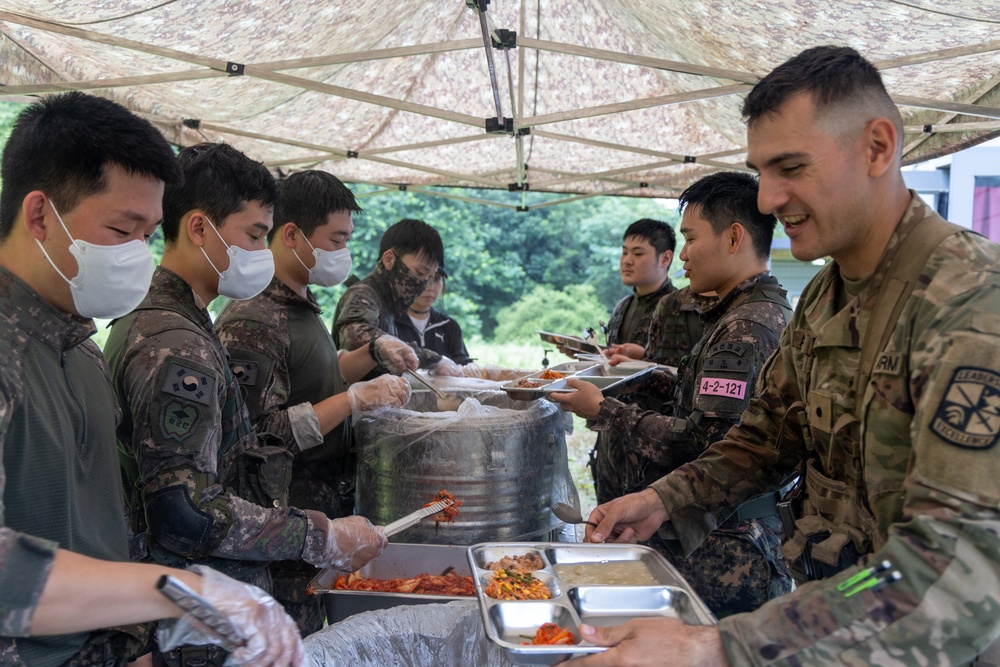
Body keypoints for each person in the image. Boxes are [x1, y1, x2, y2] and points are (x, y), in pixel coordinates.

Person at [570, 45, 1000, 666]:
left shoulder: (969, 303)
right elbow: (766, 438)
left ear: (878, 147)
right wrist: (664, 498)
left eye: (790, 168)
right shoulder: (828, 294)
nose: (768, 198)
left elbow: (945, 565)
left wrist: (718, 647)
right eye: (761, 172)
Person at [0, 93, 303, 666]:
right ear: (39, 215)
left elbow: (115, 520)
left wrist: (145, 636)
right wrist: (176, 592)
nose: (140, 254)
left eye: (147, 234)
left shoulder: (80, 349)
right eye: (122, 229)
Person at [105, 143, 387, 663]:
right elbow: (185, 513)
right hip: (191, 617)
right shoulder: (176, 345)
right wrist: (316, 536)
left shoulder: (176, 324)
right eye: (255, 234)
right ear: (198, 229)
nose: (263, 250)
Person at [552, 172, 793, 617]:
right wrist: (645, 376)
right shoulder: (737, 314)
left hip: (727, 549)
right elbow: (701, 399)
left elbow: (709, 444)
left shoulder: (746, 328)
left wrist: (606, 410)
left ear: (734, 237)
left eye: (690, 238)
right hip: (708, 533)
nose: (682, 255)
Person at [215, 170, 415, 634]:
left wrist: (370, 353)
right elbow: (258, 435)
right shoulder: (256, 318)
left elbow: (310, 380)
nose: (343, 253)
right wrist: (351, 401)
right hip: (283, 526)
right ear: (292, 235)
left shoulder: (300, 306)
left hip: (317, 518)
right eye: (336, 239)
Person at [585, 219, 705, 505]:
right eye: (624, 252)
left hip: (651, 443)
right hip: (611, 436)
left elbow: (685, 378)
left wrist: (645, 360)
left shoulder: (681, 308)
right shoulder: (623, 306)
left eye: (638, 254)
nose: (627, 261)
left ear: (665, 258)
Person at [333, 218, 463, 379]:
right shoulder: (363, 294)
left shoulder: (390, 303)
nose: (424, 284)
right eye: (420, 273)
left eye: (430, 277)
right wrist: (431, 358)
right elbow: (356, 336)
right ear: (389, 259)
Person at [394, 267, 473, 366]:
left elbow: (462, 363)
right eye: (424, 278)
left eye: (437, 279)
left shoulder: (448, 325)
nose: (431, 287)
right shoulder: (390, 321)